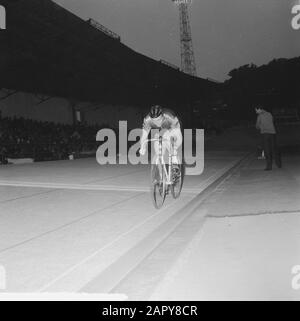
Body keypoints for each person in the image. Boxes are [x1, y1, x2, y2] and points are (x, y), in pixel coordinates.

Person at [139, 105, 183, 174]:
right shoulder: (147, 120)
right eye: (154, 121)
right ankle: (161, 176)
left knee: (168, 137)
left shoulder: (170, 117)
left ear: (162, 116)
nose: (157, 122)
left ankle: (174, 162)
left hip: (171, 128)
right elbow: (144, 136)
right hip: (161, 131)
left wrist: (174, 148)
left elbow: (179, 136)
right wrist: (142, 147)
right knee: (157, 144)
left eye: (159, 120)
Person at [255, 105, 281, 170]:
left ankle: (269, 166)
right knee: (274, 149)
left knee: (267, 150)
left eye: (256, 110)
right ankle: (278, 164)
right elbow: (272, 121)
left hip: (265, 134)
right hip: (272, 133)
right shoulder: (269, 114)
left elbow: (257, 126)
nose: (256, 111)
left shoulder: (259, 116)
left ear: (259, 109)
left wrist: (260, 127)